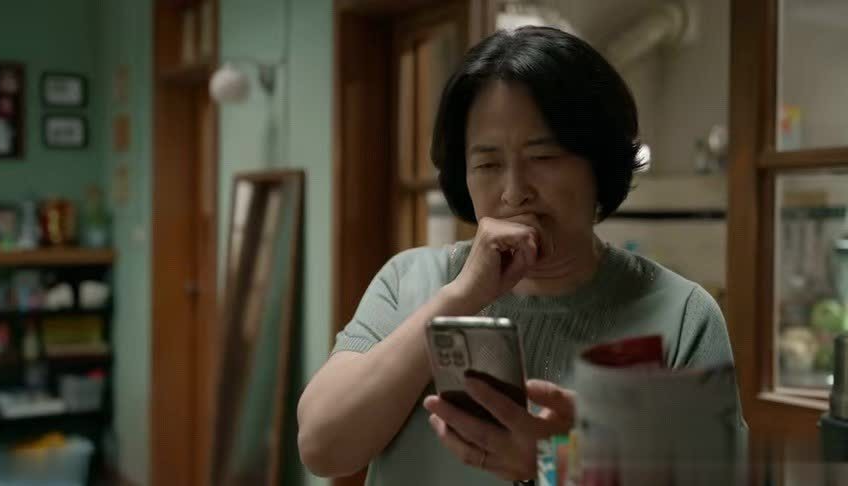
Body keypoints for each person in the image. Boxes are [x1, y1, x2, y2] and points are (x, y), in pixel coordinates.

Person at [298, 26, 741, 485]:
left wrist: (558, 463)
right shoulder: (408, 280)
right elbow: (321, 447)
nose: (514, 192)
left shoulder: (680, 315)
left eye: (543, 157)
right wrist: (460, 297)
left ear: (599, 163)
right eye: (487, 164)